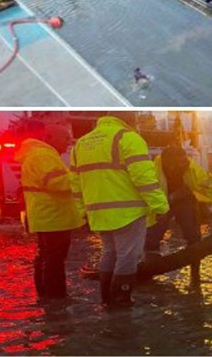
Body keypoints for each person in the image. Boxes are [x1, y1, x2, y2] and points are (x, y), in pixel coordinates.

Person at [71, 113, 169, 308]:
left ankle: (106, 299)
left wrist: (82, 210)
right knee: (128, 256)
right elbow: (143, 177)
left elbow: (75, 182)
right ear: (130, 120)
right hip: (127, 211)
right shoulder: (128, 138)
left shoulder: (81, 144)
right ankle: (121, 300)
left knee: (109, 252)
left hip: (97, 212)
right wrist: (160, 206)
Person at [145, 146, 212, 282]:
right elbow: (146, 192)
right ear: (168, 162)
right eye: (180, 162)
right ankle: (148, 272)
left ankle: (195, 275)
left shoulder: (191, 168)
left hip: (185, 199)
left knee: (193, 236)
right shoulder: (152, 171)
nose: (185, 164)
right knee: (152, 237)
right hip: (161, 201)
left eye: (185, 161)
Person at [15, 122, 83, 300]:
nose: (69, 142)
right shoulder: (44, 155)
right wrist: (78, 177)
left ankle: (46, 295)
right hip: (53, 216)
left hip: (45, 215)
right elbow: (57, 183)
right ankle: (56, 297)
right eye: (65, 137)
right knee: (54, 260)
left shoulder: (38, 154)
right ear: (49, 138)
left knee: (46, 257)